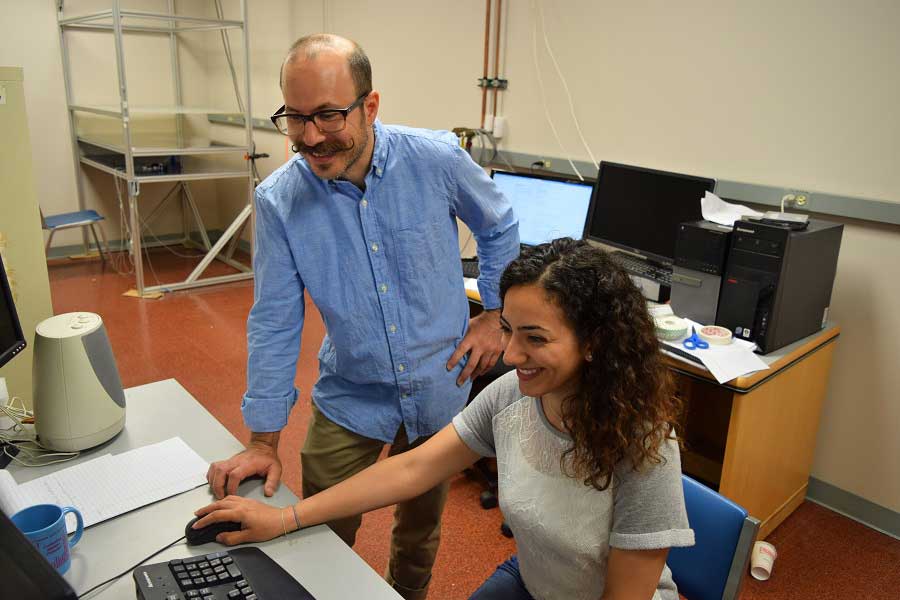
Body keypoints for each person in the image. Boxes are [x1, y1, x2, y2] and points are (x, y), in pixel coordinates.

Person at [196, 238, 694, 600]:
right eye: (508, 331)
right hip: (534, 581)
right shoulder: (511, 399)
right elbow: (412, 468)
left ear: (596, 342)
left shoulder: (644, 447)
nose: (512, 353)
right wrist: (283, 519)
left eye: (535, 338)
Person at [203, 34, 519, 600]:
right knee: (318, 534)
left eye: (328, 115)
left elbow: (498, 224)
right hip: (351, 392)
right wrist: (263, 441)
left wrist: (496, 313)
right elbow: (275, 320)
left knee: (421, 532)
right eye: (295, 118)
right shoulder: (279, 201)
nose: (311, 137)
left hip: (438, 383)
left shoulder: (436, 159)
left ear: (369, 106)